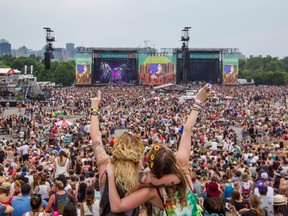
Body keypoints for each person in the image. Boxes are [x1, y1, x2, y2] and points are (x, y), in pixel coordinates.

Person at [106, 85, 211, 215]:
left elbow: (117, 206)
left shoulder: (151, 191)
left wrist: (110, 175)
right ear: (172, 159)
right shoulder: (182, 167)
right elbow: (188, 129)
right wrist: (198, 101)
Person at [90, 91, 179, 216]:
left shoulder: (105, 167)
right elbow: (176, 178)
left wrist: (94, 107)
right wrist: (156, 179)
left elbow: (95, 138)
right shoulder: (141, 178)